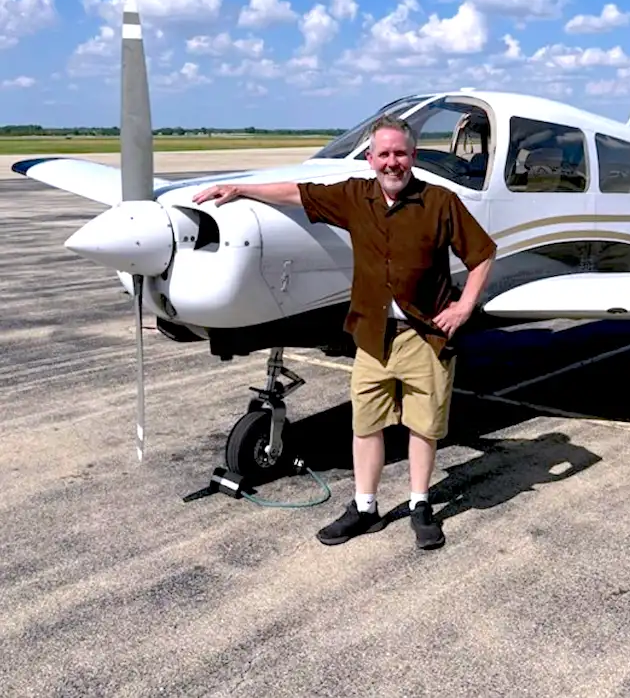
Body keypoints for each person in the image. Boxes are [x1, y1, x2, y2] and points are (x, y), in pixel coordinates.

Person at [192, 114, 496, 550]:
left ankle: (420, 505)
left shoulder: (440, 202)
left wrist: (464, 306)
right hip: (372, 337)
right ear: (371, 159)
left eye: (401, 153)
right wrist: (242, 189)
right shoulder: (356, 196)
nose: (393, 162)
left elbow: (482, 253)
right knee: (366, 425)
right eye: (384, 154)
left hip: (424, 336)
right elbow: (299, 193)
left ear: (413, 156)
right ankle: (366, 507)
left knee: (424, 428)